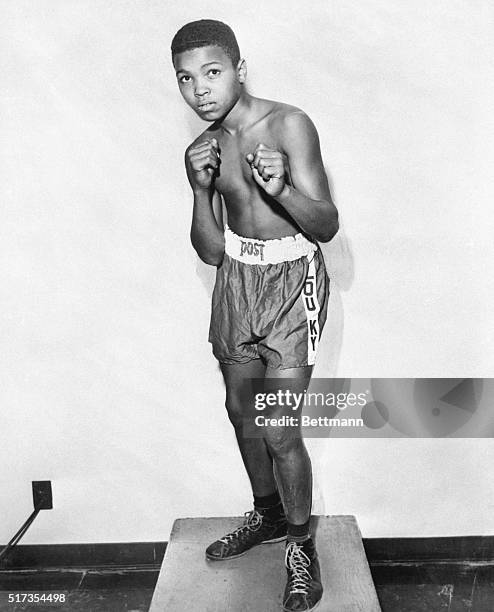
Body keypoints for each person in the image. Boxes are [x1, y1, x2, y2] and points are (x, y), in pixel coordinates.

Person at [171, 19, 339, 612]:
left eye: (212, 73)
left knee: (279, 428)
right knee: (241, 413)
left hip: (293, 286)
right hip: (235, 282)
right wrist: (197, 188)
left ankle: (301, 546)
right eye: (187, 80)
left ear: (239, 70)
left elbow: (325, 225)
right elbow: (212, 250)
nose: (201, 90)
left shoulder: (288, 124)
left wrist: (283, 189)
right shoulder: (206, 146)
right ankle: (266, 515)